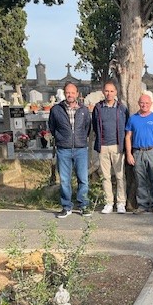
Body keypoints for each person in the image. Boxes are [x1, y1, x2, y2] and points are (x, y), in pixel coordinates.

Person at [48, 82, 92, 218]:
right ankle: (66, 206)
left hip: (80, 149)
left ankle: (83, 205)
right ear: (64, 93)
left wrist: (81, 139)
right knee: (65, 180)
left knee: (83, 179)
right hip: (64, 149)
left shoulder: (83, 110)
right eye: (68, 92)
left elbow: (87, 128)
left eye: (73, 93)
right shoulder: (56, 110)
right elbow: (52, 127)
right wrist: (61, 139)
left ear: (77, 94)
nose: (70, 95)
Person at [92, 80, 130, 214]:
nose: (109, 93)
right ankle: (109, 202)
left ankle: (121, 202)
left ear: (116, 92)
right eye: (107, 91)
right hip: (103, 146)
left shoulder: (122, 108)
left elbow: (126, 127)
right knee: (106, 177)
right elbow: (95, 126)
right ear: (103, 92)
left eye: (112, 91)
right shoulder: (98, 108)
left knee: (120, 176)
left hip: (117, 147)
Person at [125, 93, 153, 215]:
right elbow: (128, 137)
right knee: (140, 180)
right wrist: (129, 154)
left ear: (151, 104)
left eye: (147, 103)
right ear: (139, 103)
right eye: (142, 103)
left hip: (152, 151)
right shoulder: (133, 119)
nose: (144, 105)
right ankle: (142, 204)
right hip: (138, 152)